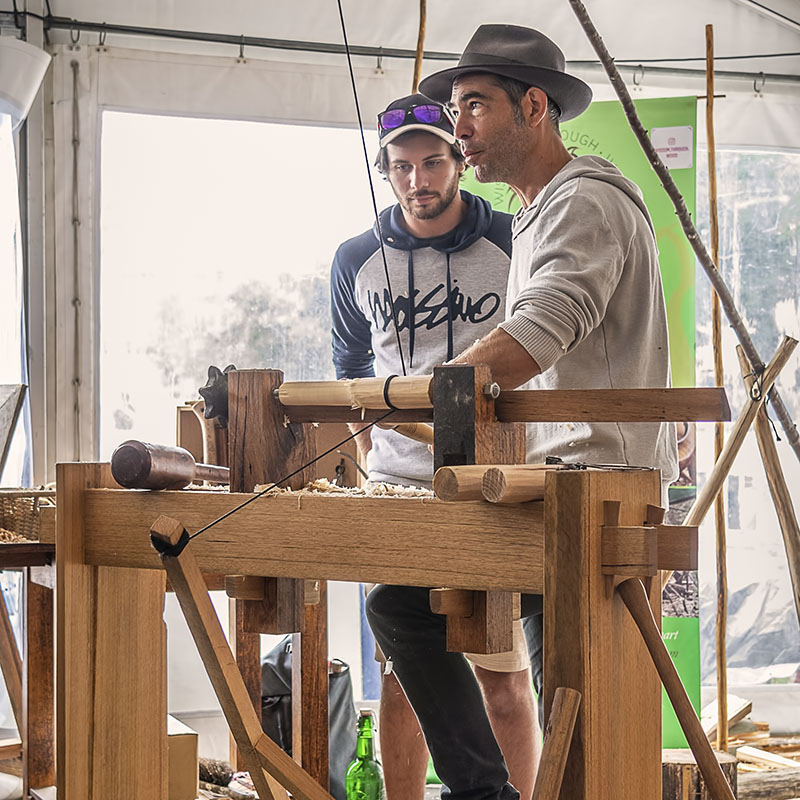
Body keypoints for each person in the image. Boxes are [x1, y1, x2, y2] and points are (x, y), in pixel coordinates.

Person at [366, 25, 679, 800]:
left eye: (474, 105)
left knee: (584, 732)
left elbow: (537, 334)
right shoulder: (538, 210)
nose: (457, 125)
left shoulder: (585, 201)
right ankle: (487, 794)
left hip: (598, 497)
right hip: (554, 489)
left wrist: (416, 391)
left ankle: (488, 794)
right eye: (454, 106)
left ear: (533, 106)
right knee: (407, 604)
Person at [330, 93, 541, 800]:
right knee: (402, 679)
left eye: (431, 162)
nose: (417, 179)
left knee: (503, 680)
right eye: (400, 167)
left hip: (494, 487)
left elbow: (545, 345)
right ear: (383, 171)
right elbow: (350, 365)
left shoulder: (514, 240)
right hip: (398, 489)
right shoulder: (355, 258)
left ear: (458, 161)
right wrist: (373, 438)